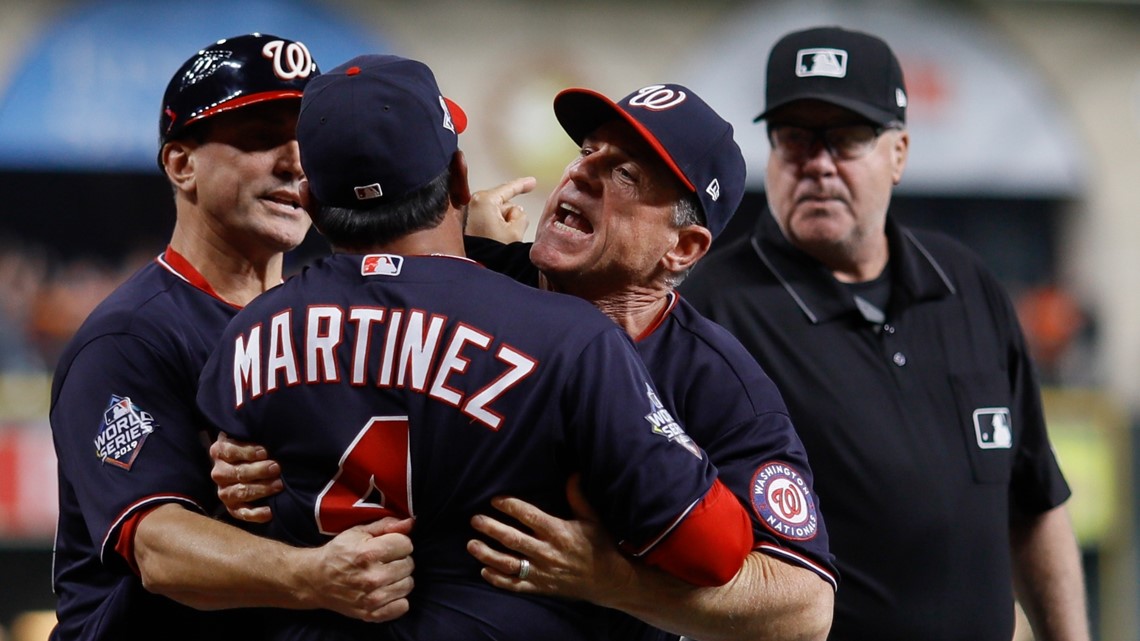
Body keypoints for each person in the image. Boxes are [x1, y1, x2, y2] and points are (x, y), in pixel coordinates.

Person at [214, 81, 838, 641]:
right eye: (588, 151)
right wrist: (243, 454)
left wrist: (614, 582)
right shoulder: (466, 275)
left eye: (627, 175)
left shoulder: (715, 381)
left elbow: (805, 609)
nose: (584, 175)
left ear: (683, 247)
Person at [679, 26, 1090, 641]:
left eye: (845, 139)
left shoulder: (965, 283)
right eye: (794, 139)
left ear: (898, 152)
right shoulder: (711, 310)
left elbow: (1033, 503)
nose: (817, 164)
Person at [48, 34, 415, 641]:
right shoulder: (129, 336)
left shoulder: (325, 316)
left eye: (306, 141)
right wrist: (313, 574)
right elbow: (159, 548)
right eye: (260, 137)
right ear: (181, 164)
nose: (295, 162)